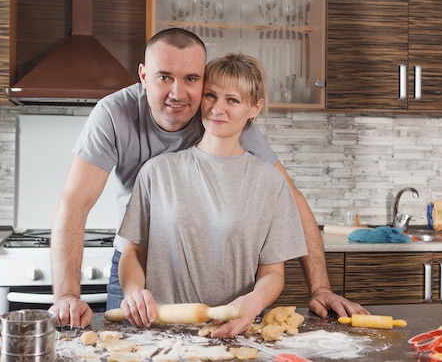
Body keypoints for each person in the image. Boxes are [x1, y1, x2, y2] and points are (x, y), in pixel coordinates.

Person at [49, 27, 368, 328]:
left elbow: (290, 198)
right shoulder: (114, 116)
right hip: (141, 258)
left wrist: (320, 288)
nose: (178, 93)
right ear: (144, 76)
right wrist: (66, 296)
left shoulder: (224, 122)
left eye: (191, 79)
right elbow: (75, 203)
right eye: (164, 77)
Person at [117, 53, 308, 338]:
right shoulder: (157, 172)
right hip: (159, 334)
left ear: (254, 108)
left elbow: (272, 273)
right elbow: (133, 252)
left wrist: (253, 303)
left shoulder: (270, 182)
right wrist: (134, 293)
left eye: (232, 100)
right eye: (211, 96)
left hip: (233, 332)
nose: (218, 108)